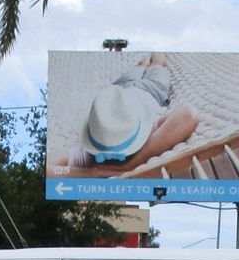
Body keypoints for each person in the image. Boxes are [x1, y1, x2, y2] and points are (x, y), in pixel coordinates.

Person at [69, 53, 200, 172]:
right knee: (157, 63)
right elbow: (189, 114)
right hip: (152, 89)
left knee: (141, 64)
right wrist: (132, 164)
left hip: (120, 88)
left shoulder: (92, 148)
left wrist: (91, 173)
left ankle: (148, 53)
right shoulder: (148, 133)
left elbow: (51, 166)